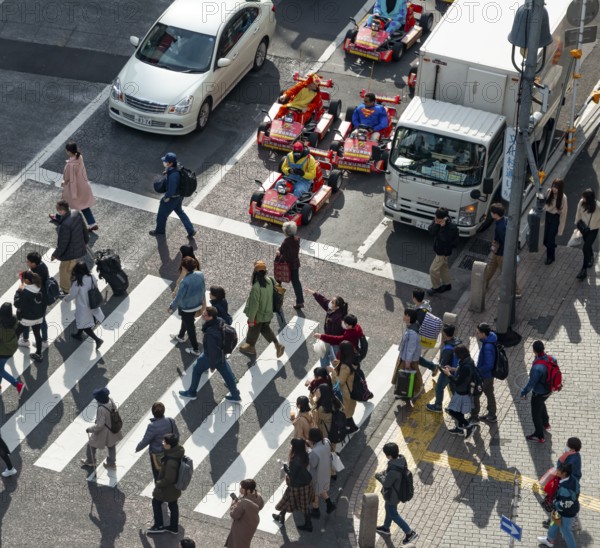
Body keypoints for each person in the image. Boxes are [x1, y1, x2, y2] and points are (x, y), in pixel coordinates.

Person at [178, 306, 241, 402]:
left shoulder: (211, 334)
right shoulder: (219, 321)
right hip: (221, 354)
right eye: (203, 313)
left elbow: (212, 351)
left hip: (209, 357)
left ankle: (191, 392)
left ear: (211, 317)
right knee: (227, 374)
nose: (203, 315)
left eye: (205, 315)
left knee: (196, 369)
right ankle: (235, 395)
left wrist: (212, 366)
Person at [239, 260, 285, 358]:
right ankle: (277, 345)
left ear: (255, 272)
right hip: (267, 312)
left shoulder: (256, 287)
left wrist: (251, 320)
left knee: (252, 330)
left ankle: (250, 347)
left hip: (258, 315)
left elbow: (254, 305)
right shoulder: (270, 280)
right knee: (265, 329)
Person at [374, 442, 418, 545]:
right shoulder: (400, 460)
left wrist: (379, 476)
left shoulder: (393, 469)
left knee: (393, 514)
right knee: (388, 508)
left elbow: (387, 483)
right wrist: (386, 473)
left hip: (393, 495)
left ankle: (410, 533)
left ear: (388, 455)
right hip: (398, 491)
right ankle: (386, 527)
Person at [50, 141, 97, 231]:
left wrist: (68, 187)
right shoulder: (79, 157)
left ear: (69, 151)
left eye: (66, 151)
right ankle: (92, 223)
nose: (66, 153)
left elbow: (72, 181)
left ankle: (59, 218)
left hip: (74, 189)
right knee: (84, 205)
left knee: (68, 205)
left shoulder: (71, 165)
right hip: (83, 187)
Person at [149, 152, 196, 238]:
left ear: (170, 163)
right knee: (180, 211)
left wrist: (166, 197)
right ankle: (191, 229)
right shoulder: (177, 166)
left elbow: (171, 190)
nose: (164, 162)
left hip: (173, 198)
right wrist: (167, 172)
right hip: (179, 196)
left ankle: (159, 232)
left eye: (166, 161)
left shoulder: (173, 176)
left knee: (161, 215)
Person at [272, 438, 315, 532]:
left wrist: (285, 467)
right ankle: (281, 517)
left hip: (297, 485)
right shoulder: (304, 454)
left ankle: (308, 524)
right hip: (306, 482)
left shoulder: (295, 460)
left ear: (295, 447)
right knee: (295, 501)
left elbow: (292, 475)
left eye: (292, 445)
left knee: (290, 501)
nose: (290, 447)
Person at [147, 433, 184, 535]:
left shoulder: (171, 461)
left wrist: (158, 483)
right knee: (173, 504)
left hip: (167, 488)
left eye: (165, 442)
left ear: (169, 445)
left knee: (156, 502)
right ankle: (173, 527)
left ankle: (159, 525)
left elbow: (168, 478)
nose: (162, 443)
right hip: (175, 488)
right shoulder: (177, 451)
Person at [537, 462, 580, 548]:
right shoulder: (573, 479)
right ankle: (549, 540)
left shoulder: (565, 488)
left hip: (566, 512)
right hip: (566, 508)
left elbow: (563, 504)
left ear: (564, 473)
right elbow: (577, 491)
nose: (557, 471)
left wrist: (554, 504)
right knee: (554, 521)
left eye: (559, 470)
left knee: (566, 530)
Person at [169, 256, 206, 356]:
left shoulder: (184, 282)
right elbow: (203, 289)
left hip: (187, 307)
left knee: (190, 328)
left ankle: (195, 349)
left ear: (184, 268)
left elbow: (179, 298)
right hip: (197, 304)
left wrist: (171, 306)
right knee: (186, 321)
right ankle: (180, 336)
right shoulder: (200, 274)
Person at [50, 200, 89, 294]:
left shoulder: (65, 226)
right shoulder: (76, 213)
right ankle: (75, 281)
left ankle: (65, 289)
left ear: (61, 211)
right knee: (72, 268)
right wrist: (85, 241)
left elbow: (63, 244)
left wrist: (55, 255)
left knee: (64, 270)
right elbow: (84, 229)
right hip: (79, 247)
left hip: (70, 253)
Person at [64, 261, 104, 351]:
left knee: (85, 325)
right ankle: (78, 334)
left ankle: (97, 340)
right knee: (83, 322)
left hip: (83, 306)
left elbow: (73, 294)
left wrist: (66, 299)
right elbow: (95, 286)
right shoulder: (92, 277)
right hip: (92, 303)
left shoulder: (78, 282)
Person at [484, 203, 522, 296]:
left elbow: (502, 241)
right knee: (491, 267)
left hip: (501, 254)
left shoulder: (500, 227)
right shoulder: (505, 220)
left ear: (496, 214)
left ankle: (517, 291)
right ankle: (484, 283)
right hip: (498, 252)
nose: (491, 214)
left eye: (492, 213)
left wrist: (495, 246)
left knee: (506, 274)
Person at [135, 402, 180, 481]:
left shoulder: (152, 426)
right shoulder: (171, 421)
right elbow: (177, 435)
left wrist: (137, 448)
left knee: (158, 474)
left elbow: (145, 441)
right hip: (170, 451)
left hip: (158, 455)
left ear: (153, 413)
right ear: (163, 411)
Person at [81, 387, 123, 470]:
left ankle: (90, 461)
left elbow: (100, 425)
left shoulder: (101, 409)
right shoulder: (110, 400)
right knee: (111, 446)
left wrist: (90, 429)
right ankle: (111, 463)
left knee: (91, 445)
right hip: (113, 428)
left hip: (104, 432)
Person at [443, 344, 479, 439]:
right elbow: (461, 371)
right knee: (458, 411)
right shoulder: (468, 361)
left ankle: (469, 426)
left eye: (456, 354)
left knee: (452, 411)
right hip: (464, 391)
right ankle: (459, 428)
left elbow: (457, 381)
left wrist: (448, 374)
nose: (455, 356)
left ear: (460, 355)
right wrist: (452, 369)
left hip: (461, 392)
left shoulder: (465, 367)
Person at [424, 324, 461, 413]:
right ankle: (457, 407)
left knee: (439, 388)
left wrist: (439, 365)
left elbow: (443, 364)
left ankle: (438, 406)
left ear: (444, 334)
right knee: (454, 389)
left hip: (447, 373)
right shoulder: (456, 342)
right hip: (455, 371)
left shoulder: (448, 349)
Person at [520, 340, 552, 443]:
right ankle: (545, 423)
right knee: (541, 404)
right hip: (549, 389)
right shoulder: (551, 359)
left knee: (535, 414)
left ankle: (539, 436)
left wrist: (524, 392)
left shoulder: (537, 368)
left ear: (534, 350)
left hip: (539, 392)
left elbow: (531, 384)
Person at [305, 289, 347, 366]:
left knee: (336, 363)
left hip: (335, 342)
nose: (330, 303)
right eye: (331, 301)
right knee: (323, 355)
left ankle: (334, 374)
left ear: (337, 307)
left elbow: (335, 334)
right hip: (328, 339)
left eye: (332, 302)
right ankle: (325, 373)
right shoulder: (332, 310)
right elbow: (324, 301)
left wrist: (322, 337)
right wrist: (313, 292)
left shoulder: (337, 319)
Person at [18, 252, 50, 350]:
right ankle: (44, 340)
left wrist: (22, 285)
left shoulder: (37, 274)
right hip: (42, 299)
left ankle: (25, 339)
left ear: (34, 263)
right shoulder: (42, 265)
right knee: (42, 319)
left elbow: (32, 287)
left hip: (35, 300)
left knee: (26, 318)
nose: (27, 263)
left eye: (28, 261)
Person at [13, 270, 45, 362]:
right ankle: (39, 354)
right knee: (37, 334)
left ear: (27, 280)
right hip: (38, 317)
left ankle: (9, 350)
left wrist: (18, 292)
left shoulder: (26, 292)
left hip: (27, 318)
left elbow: (17, 304)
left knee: (16, 333)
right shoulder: (39, 287)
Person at [427, 207, 459, 295]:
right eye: (435, 218)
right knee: (443, 267)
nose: (436, 219)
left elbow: (445, 239)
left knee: (433, 270)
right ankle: (447, 284)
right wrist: (436, 224)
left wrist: (442, 227)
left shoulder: (451, 227)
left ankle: (436, 287)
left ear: (445, 218)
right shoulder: (437, 220)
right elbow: (431, 232)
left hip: (443, 251)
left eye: (438, 219)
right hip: (439, 249)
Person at [225, 478, 264, 548]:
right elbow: (260, 507)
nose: (240, 489)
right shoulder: (259, 497)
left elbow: (234, 515)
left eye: (242, 488)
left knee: (236, 543)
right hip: (251, 525)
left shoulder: (243, 502)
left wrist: (233, 504)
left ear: (248, 490)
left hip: (241, 527)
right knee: (245, 543)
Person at [393, 309, 422, 399]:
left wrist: (408, 361)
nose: (403, 316)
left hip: (409, 359)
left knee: (409, 375)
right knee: (405, 375)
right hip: (406, 357)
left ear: (409, 317)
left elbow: (411, 348)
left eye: (405, 315)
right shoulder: (411, 326)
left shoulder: (412, 333)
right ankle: (405, 392)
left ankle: (413, 391)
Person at [471, 323, 497, 423]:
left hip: (485, 376)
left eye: (478, 333)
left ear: (483, 333)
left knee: (476, 396)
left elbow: (488, 365)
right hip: (489, 375)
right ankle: (492, 414)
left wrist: (478, 370)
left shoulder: (487, 347)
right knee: (489, 393)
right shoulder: (491, 339)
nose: (477, 334)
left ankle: (474, 417)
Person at [330, 340, 358, 432]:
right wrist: (338, 363)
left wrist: (332, 371)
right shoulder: (353, 360)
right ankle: (353, 427)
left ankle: (348, 429)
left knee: (344, 413)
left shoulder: (345, 367)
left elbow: (340, 381)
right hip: (352, 390)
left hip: (345, 394)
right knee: (348, 413)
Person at [308, 427, 336, 518]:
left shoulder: (315, 452)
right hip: (326, 470)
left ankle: (316, 510)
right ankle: (329, 504)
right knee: (322, 488)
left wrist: (310, 451)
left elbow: (312, 464)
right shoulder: (326, 441)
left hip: (316, 474)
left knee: (315, 492)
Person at [574, 188, 600, 280]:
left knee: (585, 247)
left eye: (584, 197)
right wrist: (577, 224)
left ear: (588, 199)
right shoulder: (581, 203)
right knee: (587, 246)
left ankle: (583, 270)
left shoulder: (597, 206)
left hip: (593, 230)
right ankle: (591, 256)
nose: (582, 198)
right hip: (584, 228)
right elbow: (578, 214)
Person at [277, 221, 304, 309]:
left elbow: (284, 254)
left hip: (286, 265)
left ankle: (277, 300)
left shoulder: (285, 242)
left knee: (278, 279)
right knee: (296, 282)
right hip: (295, 264)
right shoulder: (297, 239)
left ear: (286, 232)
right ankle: (300, 301)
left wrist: (278, 253)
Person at [0, 303, 24, 394]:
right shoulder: (14, 319)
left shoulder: (1, 325)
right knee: (1, 368)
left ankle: (17, 384)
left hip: (2, 351)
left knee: (0, 370)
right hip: (11, 348)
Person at [543, 179, 568, 265]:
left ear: (560, 188)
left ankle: (551, 257)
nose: (554, 189)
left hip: (555, 218)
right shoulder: (549, 192)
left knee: (550, 239)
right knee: (545, 240)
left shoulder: (563, 198)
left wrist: (561, 229)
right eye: (553, 186)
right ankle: (552, 246)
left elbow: (563, 214)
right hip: (547, 216)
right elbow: (544, 204)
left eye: (556, 187)